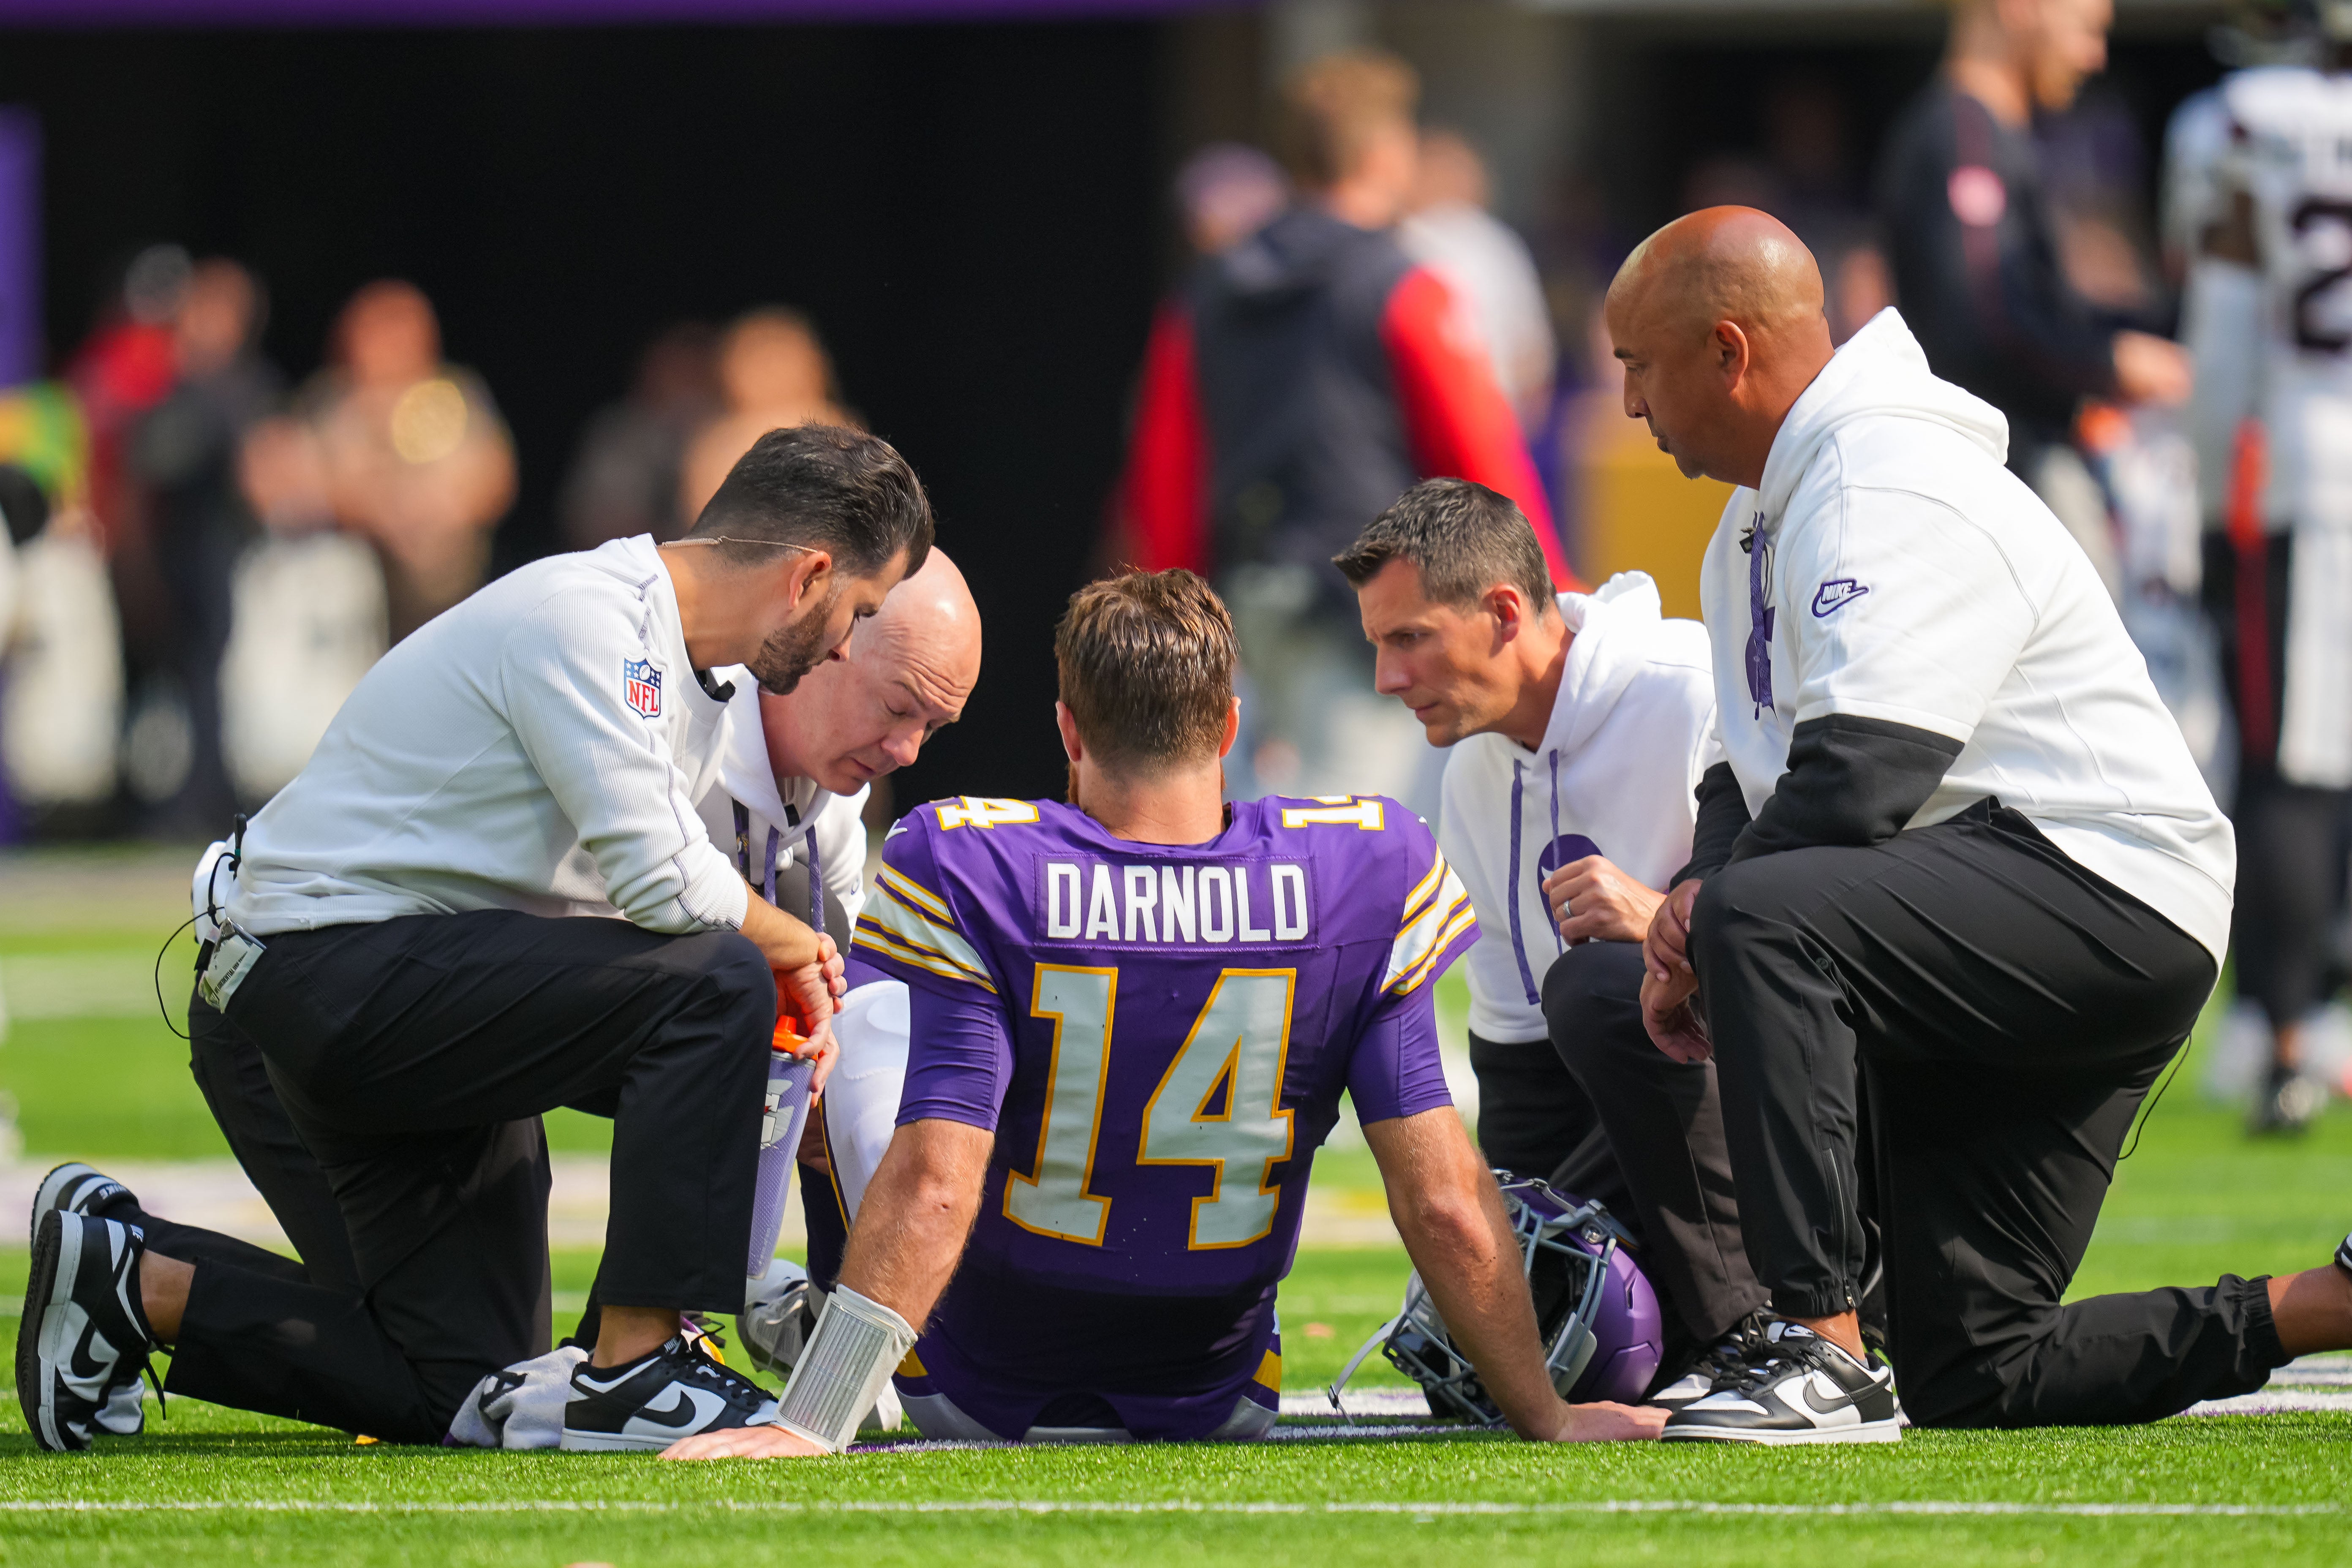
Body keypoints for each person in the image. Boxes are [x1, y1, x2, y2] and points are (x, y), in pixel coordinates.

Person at [16, 425, 931, 1456]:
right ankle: (634, 1367)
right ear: (810, 574)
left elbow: (634, 941)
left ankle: (130, 1276)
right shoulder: (589, 618)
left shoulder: (690, 677)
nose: (846, 646)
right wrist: (794, 954)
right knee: (727, 980)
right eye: (856, 612)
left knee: (461, 1383)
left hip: (403, 981)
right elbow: (666, 888)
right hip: (310, 975)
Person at [1606, 206, 2352, 1440]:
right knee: (1976, 1374)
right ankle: (2324, 1300)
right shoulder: (1759, 517)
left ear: (1726, 352)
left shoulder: (1878, 477)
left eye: (1635, 362)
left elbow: (1862, 774)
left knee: (1764, 916)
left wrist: (1715, 914)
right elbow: (1751, 767)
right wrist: (1702, 903)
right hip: (2001, 903)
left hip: (2102, 892)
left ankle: (1817, 1347)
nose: (1626, 401)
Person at [662, 569, 1664, 1459]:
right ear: (1229, 726)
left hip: (972, 1388)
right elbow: (1442, 1193)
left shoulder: (969, 859)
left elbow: (935, 1181)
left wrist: (809, 1421)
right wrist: (1544, 1412)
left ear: (1068, 731)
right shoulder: (1362, 868)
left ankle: (826, 1333)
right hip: (1216, 1395)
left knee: (869, 1011)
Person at [1335, 478, 1770, 1403]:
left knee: (1601, 985)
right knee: (1521, 1313)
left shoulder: (1692, 694)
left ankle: (1763, 1333)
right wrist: (1506, 1273)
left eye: (1408, 638)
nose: (1387, 678)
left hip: (1805, 1121)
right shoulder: (1472, 777)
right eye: (1378, 645)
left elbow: (1830, 931)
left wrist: (1668, 919)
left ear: (1501, 612)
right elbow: (1523, 1084)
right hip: (1667, 1142)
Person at [1116, 49, 1571, 805]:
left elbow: (1165, 467)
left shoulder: (1205, 294)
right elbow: (1480, 454)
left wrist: (1168, 612)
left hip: (1247, 596)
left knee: (1250, 808)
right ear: (1384, 152)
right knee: (1361, 831)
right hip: (1382, 610)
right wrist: (1545, 588)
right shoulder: (1403, 284)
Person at [1876, 0, 2192, 591]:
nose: (2095, 57)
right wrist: (2112, 364)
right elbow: (1982, 320)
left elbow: (2042, 310)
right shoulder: (1962, 135)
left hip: (2002, 489)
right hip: (1988, 497)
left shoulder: (1994, 134)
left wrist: (2154, 333)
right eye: (2086, 30)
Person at [2194, 25, 2352, 1132]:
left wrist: (2210, 484)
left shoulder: (2247, 122)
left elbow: (2226, 319)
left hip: (2309, 474)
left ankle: (2286, 1036)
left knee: (2289, 763)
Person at [262, 280, 517, 642]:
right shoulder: (328, 402)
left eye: (403, 330)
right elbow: (288, 486)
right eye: (377, 330)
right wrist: (369, 509)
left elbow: (498, 480)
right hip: (351, 607)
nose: (390, 344)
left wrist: (439, 509)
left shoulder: (454, 394)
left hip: (447, 601)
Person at [127, 259, 281, 832]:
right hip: (174, 557)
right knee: (177, 681)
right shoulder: (168, 387)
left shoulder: (246, 388)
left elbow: (265, 472)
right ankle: (176, 796)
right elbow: (144, 470)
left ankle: (214, 799)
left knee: (221, 678)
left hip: (229, 558)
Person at [1401, 130, 1557, 434]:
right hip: (1488, 420)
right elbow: (1533, 356)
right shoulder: (1495, 242)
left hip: (1430, 423)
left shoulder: (1400, 240)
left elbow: (1531, 353)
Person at [678, 308, 852, 525]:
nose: (769, 374)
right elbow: (704, 517)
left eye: (779, 359)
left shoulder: (833, 425)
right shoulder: (717, 439)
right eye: (755, 358)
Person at [559, 322, 722, 550]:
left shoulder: (726, 433)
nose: (687, 383)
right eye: (677, 369)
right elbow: (594, 520)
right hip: (621, 562)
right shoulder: (619, 431)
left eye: (699, 373)